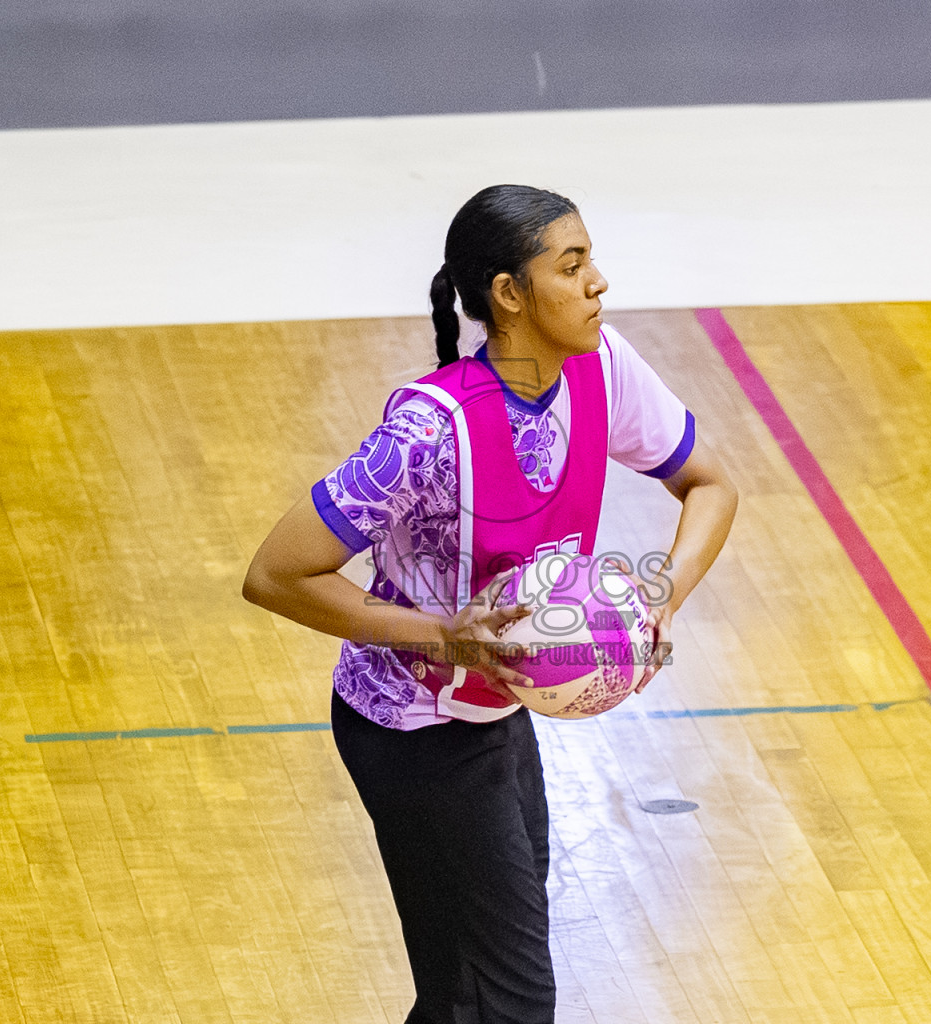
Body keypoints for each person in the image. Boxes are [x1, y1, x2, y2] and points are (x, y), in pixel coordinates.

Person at [242, 184, 737, 1023]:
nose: (598, 284)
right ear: (509, 293)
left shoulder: (604, 369)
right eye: (572, 266)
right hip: (410, 729)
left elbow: (711, 483)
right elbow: (277, 574)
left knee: (460, 996)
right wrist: (440, 634)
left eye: (592, 262)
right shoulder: (429, 430)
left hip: (493, 713)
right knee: (510, 1001)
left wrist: (656, 601)